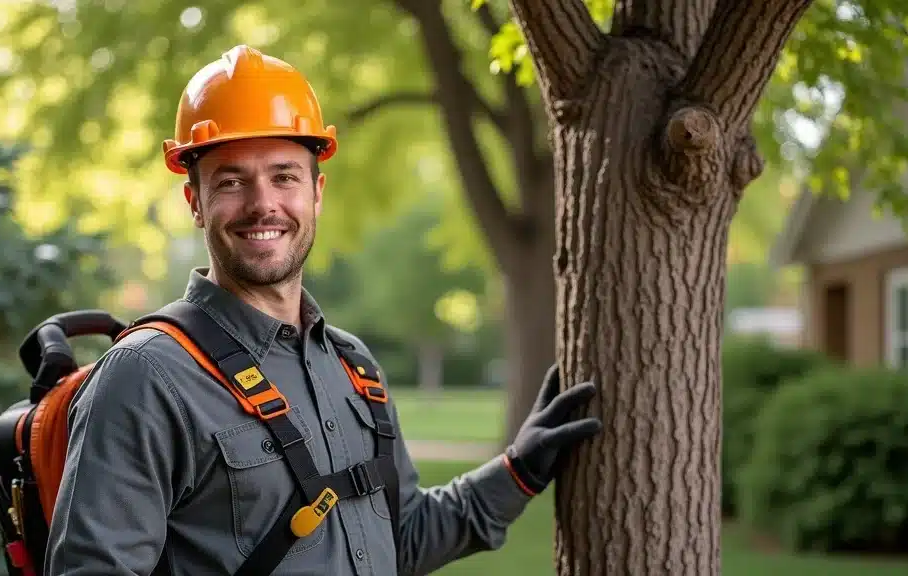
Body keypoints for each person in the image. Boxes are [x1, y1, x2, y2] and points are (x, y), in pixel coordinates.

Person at [44, 45, 602, 576]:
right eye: (232, 181)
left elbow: (400, 538)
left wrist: (519, 472)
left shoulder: (353, 369)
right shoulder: (148, 376)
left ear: (316, 191)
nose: (263, 203)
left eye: (284, 176)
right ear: (195, 202)